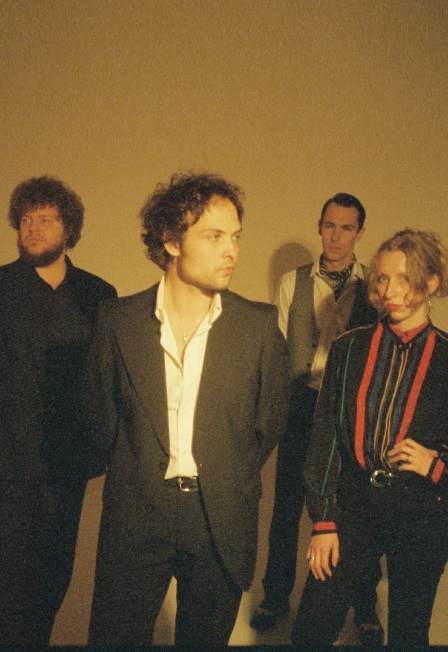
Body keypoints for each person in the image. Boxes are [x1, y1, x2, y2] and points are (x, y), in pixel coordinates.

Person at [83, 173, 291, 646]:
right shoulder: (118, 321)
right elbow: (100, 421)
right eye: (214, 236)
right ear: (171, 241)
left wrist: (225, 469)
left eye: (235, 237)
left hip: (219, 515)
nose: (231, 250)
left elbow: (266, 427)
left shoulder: (258, 327)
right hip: (137, 513)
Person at [292, 229, 448, 647]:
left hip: (422, 511)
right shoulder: (349, 348)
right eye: (382, 278)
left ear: (432, 281)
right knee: (311, 630)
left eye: (404, 278)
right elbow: (325, 438)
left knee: (409, 637)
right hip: (353, 505)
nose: (390, 291)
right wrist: (323, 519)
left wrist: (435, 465)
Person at [250, 192, 382, 644]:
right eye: (329, 225)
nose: (335, 236)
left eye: (346, 227)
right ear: (320, 226)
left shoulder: (373, 284)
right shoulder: (293, 282)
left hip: (352, 408)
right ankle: (275, 596)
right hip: (303, 404)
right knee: (287, 506)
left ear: (359, 232)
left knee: (355, 508)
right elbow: (281, 350)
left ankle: (364, 603)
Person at [0, 175, 117, 644]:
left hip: (65, 469)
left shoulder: (97, 295)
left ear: (68, 228)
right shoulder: (2, 288)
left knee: (52, 578)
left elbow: (104, 382)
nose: (31, 228)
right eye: (25, 219)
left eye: (44, 219)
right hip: (6, 467)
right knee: (8, 585)